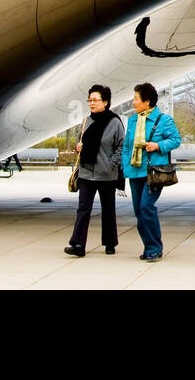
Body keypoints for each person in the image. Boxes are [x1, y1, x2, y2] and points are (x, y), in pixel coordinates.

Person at [122, 82, 182, 262]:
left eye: (136, 99)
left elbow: (175, 140)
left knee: (146, 207)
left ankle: (155, 247)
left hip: (153, 172)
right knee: (139, 212)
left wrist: (158, 146)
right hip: (134, 171)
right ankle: (149, 245)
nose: (133, 102)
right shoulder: (133, 120)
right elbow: (127, 145)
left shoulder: (164, 120)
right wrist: (126, 165)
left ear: (146, 101)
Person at [66, 84, 124, 258]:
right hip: (86, 172)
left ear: (105, 102)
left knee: (108, 209)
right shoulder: (86, 121)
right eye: (89, 100)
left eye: (95, 100)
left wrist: (110, 164)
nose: (92, 103)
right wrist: (78, 147)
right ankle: (78, 244)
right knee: (83, 209)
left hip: (107, 175)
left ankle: (110, 243)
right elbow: (80, 141)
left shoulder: (115, 122)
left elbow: (122, 146)